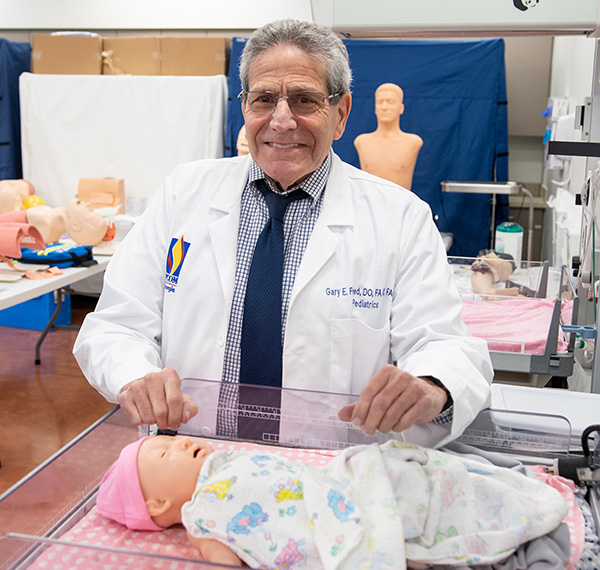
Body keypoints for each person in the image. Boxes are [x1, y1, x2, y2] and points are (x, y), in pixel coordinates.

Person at [73, 19, 493, 448]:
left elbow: (444, 343)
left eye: (305, 100)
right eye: (264, 99)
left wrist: (429, 385)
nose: (281, 120)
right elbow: (117, 325)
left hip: (329, 478)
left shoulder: (399, 217)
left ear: (341, 113)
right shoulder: (184, 193)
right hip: (193, 462)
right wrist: (136, 376)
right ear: (245, 107)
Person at [96, 434, 569, 568]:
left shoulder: (229, 461)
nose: (178, 443)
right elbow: (225, 560)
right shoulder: (201, 517)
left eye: (170, 440)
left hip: (342, 488)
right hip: (332, 526)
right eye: (161, 453)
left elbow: (308, 476)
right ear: (158, 502)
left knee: (403, 472)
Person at [353, 83, 423, 190]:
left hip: (401, 204)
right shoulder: (362, 142)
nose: (384, 107)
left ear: (401, 108)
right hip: (369, 204)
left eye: (390, 102)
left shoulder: (413, 143)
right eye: (380, 102)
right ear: (375, 108)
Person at [0, 198, 109, 245]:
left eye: (89, 212)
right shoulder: (52, 232)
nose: (88, 205)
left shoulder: (43, 219)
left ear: (75, 225)